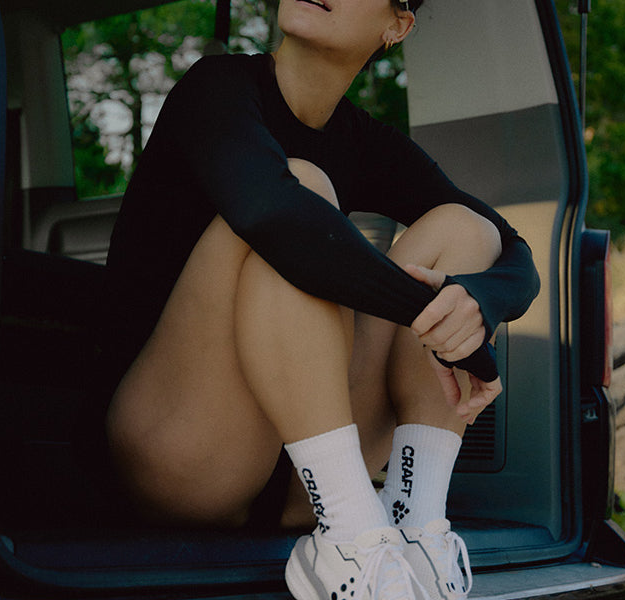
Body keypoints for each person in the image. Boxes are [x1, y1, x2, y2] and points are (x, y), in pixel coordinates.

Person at [100, 0, 540, 598]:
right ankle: (354, 532)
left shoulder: (364, 140)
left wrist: (478, 306)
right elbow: (273, 212)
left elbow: (510, 248)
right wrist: (451, 333)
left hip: (308, 476)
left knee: (464, 229)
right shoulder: (217, 87)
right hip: (186, 450)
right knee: (303, 192)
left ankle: (413, 524)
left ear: (397, 25)